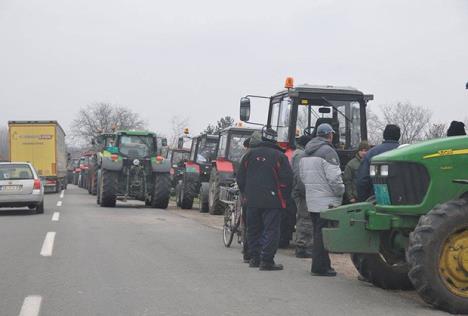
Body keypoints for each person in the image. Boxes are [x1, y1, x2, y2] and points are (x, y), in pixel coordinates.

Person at [236, 128, 293, 271]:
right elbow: (287, 180)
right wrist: (283, 197)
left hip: (251, 200)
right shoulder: (280, 156)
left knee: (253, 229)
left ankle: (254, 258)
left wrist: (246, 193)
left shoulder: (248, 155)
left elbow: (240, 178)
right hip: (273, 201)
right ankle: (266, 260)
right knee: (271, 230)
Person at [299, 123, 344, 276]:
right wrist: (341, 191)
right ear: (330, 135)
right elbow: (334, 178)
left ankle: (325, 265)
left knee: (318, 232)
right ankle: (319, 267)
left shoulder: (305, 153)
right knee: (322, 234)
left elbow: (303, 177)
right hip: (327, 201)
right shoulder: (328, 151)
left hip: (312, 199)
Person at [356, 124, 401, 202]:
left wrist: (364, 201)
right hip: (403, 201)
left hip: (377, 202)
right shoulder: (405, 153)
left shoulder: (371, 153)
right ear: (399, 136)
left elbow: (362, 181)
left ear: (384, 135)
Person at [292, 134, 314, 258]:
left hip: (300, 189)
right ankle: (302, 247)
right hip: (302, 191)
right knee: (305, 218)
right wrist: (305, 191)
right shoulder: (300, 155)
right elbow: (299, 175)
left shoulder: (298, 154)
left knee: (304, 218)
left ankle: (303, 245)